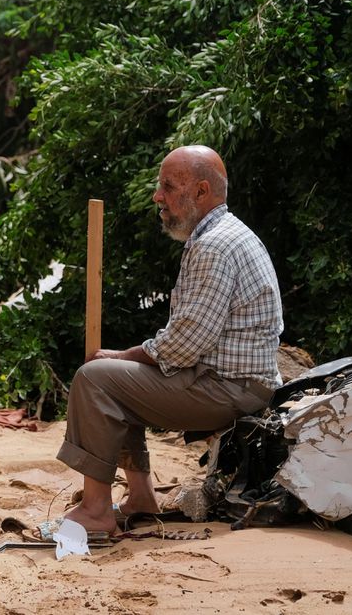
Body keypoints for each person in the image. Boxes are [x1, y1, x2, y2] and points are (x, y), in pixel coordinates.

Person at [55, 145, 283, 539]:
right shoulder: (225, 234)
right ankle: (141, 496)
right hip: (232, 382)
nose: (158, 196)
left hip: (229, 388)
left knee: (95, 379)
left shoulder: (214, 246)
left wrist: (124, 355)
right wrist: (131, 360)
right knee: (119, 376)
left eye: (167, 187)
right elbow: (184, 342)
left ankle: (95, 510)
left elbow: (185, 343)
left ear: (200, 192)